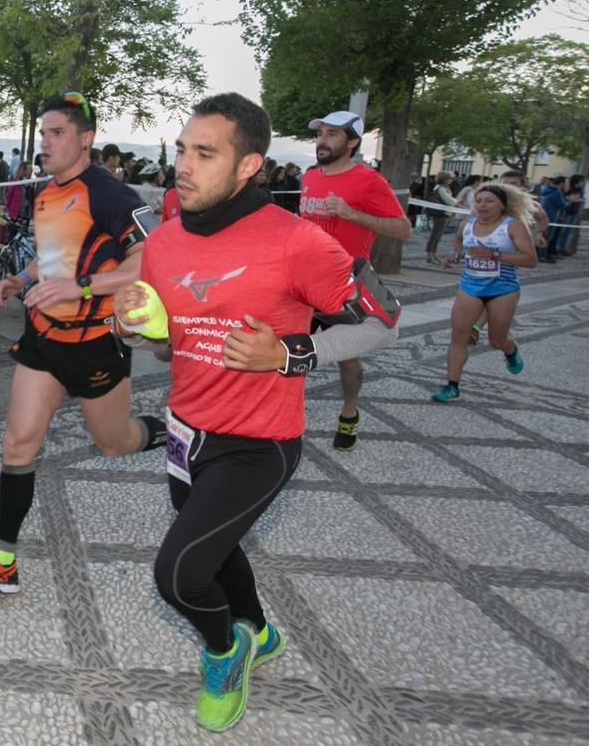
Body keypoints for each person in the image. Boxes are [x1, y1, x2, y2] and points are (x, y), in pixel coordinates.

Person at [117, 92, 398, 732]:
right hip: (187, 431)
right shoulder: (162, 242)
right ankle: (263, 632)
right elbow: (168, 345)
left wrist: (291, 354)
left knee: (180, 575)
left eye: (205, 154)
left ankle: (226, 649)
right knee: (218, 546)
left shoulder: (298, 241)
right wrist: (139, 330)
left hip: (259, 441)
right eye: (183, 150)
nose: (182, 167)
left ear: (249, 166)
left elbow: (384, 323)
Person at [0, 92, 165, 597]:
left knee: (114, 443)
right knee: (17, 442)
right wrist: (21, 279)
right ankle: (2, 561)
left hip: (95, 345)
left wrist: (82, 286)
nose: (45, 141)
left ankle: (169, 433)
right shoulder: (45, 193)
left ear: (85, 139)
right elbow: (53, 258)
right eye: (43, 133)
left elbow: (149, 261)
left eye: (57, 132)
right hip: (44, 338)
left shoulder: (111, 194)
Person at [297, 110, 410, 452]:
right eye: (321, 134)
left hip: (343, 285)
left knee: (348, 358)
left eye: (332, 135)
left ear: (352, 142)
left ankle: (348, 412)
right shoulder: (310, 176)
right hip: (302, 283)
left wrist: (351, 214)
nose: (322, 141)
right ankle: (283, 420)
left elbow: (403, 229)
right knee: (290, 350)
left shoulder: (368, 181)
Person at [432, 183, 537, 403]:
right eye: (478, 201)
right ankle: (452, 386)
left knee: (496, 340)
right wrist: (453, 255)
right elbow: (458, 241)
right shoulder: (467, 223)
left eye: (489, 201)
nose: (482, 205)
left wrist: (494, 255)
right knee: (458, 335)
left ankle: (510, 350)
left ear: (502, 205)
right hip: (470, 286)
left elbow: (530, 260)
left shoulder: (513, 226)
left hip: (503, 288)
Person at [539, 175, 569, 262]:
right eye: (566, 183)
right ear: (562, 183)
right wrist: (569, 201)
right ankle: (543, 255)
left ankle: (543, 254)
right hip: (551, 216)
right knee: (548, 237)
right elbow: (562, 205)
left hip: (545, 214)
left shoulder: (547, 189)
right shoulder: (556, 192)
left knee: (544, 236)